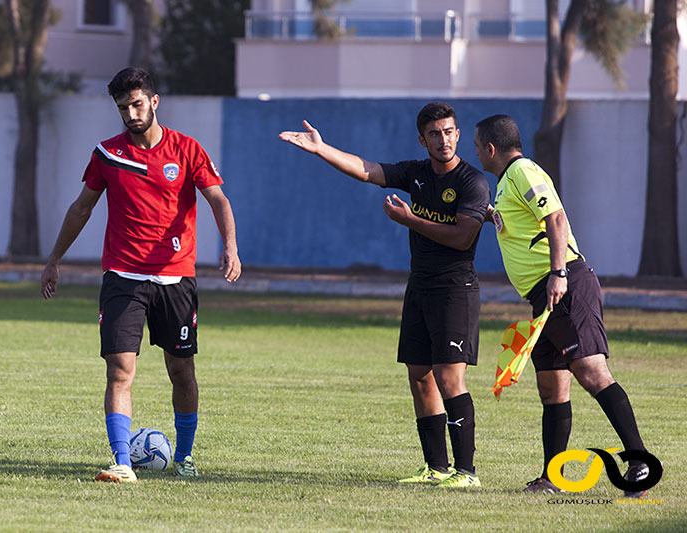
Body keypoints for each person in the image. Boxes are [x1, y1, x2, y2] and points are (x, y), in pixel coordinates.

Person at [41, 67, 241, 483]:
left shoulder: (187, 150)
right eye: (122, 108)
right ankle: (121, 461)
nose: (131, 114)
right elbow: (82, 208)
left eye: (136, 104)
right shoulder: (107, 154)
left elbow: (218, 199)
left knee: (181, 371)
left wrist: (230, 247)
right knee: (120, 369)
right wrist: (54, 258)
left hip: (176, 278)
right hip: (123, 276)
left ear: (154, 101)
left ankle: (184, 458)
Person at [279, 102, 490, 488]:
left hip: (454, 289)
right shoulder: (416, 172)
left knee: (448, 376)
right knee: (420, 377)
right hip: (420, 285)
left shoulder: (472, 181)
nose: (443, 140)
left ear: (458, 134)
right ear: (422, 139)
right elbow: (366, 170)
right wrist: (321, 149)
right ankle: (436, 468)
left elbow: (462, 237)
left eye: (449, 132)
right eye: (434, 134)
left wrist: (411, 220)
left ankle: (466, 473)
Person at [473, 114, 651, 496]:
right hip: (544, 298)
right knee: (553, 387)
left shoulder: (521, 170)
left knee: (591, 371)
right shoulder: (506, 185)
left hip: (565, 284)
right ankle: (552, 477)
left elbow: (554, 217)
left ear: (490, 148)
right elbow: (526, 225)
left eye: (476, 147)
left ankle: (640, 465)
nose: (476, 154)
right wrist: (493, 217)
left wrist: (558, 273)